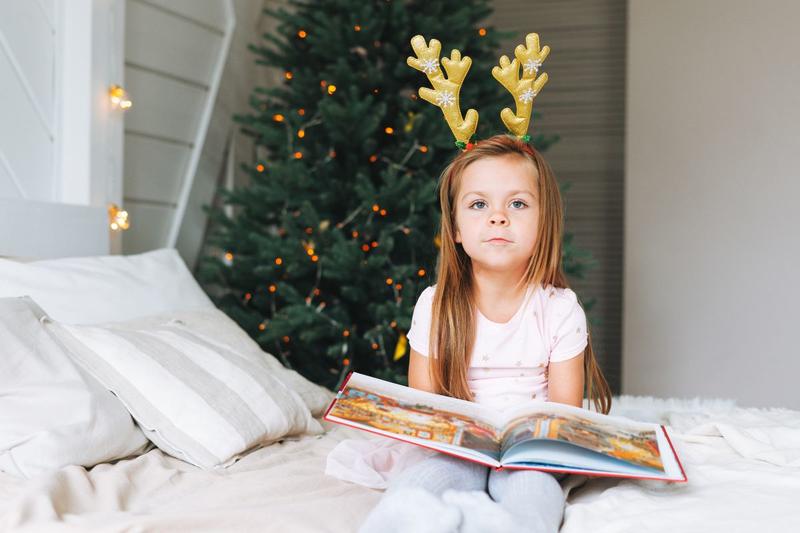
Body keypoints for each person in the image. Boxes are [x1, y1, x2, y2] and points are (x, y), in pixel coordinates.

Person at [355, 134, 613, 533]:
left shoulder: (560, 308)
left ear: (544, 222)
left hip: (529, 455)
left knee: (533, 494)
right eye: (479, 204)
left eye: (518, 203)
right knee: (419, 488)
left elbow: (564, 416)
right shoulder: (435, 304)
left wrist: (527, 453)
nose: (498, 217)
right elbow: (425, 406)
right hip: (455, 449)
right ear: (455, 228)